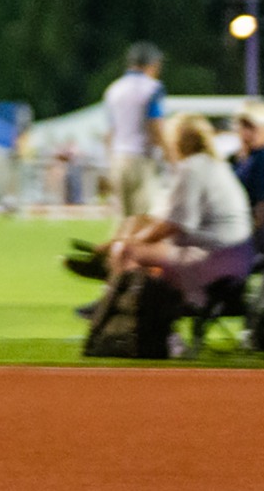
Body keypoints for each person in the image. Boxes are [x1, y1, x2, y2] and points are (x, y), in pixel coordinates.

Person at [100, 113, 255, 312]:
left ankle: (126, 316)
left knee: (127, 252)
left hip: (214, 260)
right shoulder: (213, 165)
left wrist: (128, 242)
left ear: (177, 141)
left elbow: (174, 225)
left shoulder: (191, 169)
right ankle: (128, 306)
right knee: (139, 243)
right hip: (237, 259)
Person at [101, 42, 166, 219]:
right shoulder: (152, 88)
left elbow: (109, 132)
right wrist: (171, 155)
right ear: (153, 64)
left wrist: (109, 162)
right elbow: (156, 126)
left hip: (118, 157)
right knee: (143, 220)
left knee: (123, 220)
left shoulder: (113, 89)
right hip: (141, 158)